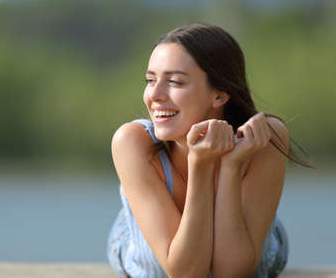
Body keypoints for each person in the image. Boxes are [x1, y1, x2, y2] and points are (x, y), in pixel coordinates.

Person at [106, 23, 296, 278]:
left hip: (253, 236)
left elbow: (232, 273)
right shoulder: (132, 141)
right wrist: (200, 165)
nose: (155, 95)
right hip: (142, 242)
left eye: (174, 81)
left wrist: (231, 167)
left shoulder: (263, 139)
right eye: (150, 80)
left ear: (219, 95)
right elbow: (186, 274)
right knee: (155, 269)